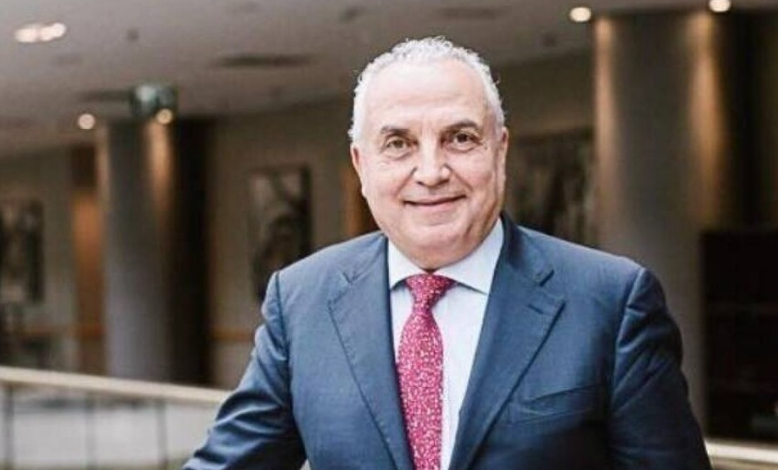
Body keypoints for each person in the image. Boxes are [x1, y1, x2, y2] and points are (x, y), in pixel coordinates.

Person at [184, 37, 711, 470]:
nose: (431, 172)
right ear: (361, 165)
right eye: (398, 144)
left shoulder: (611, 302)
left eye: (460, 138)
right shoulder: (302, 300)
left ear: (500, 150)